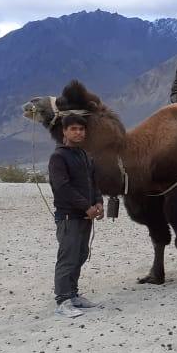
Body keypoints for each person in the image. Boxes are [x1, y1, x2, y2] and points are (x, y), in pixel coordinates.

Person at [48, 114, 103, 318]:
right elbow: (62, 187)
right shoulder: (59, 157)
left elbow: (93, 183)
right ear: (64, 132)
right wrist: (85, 206)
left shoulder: (84, 155)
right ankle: (63, 300)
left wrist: (98, 202)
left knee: (80, 254)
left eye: (81, 129)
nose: (78, 132)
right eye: (73, 129)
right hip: (69, 216)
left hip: (85, 216)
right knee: (68, 257)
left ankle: (73, 295)